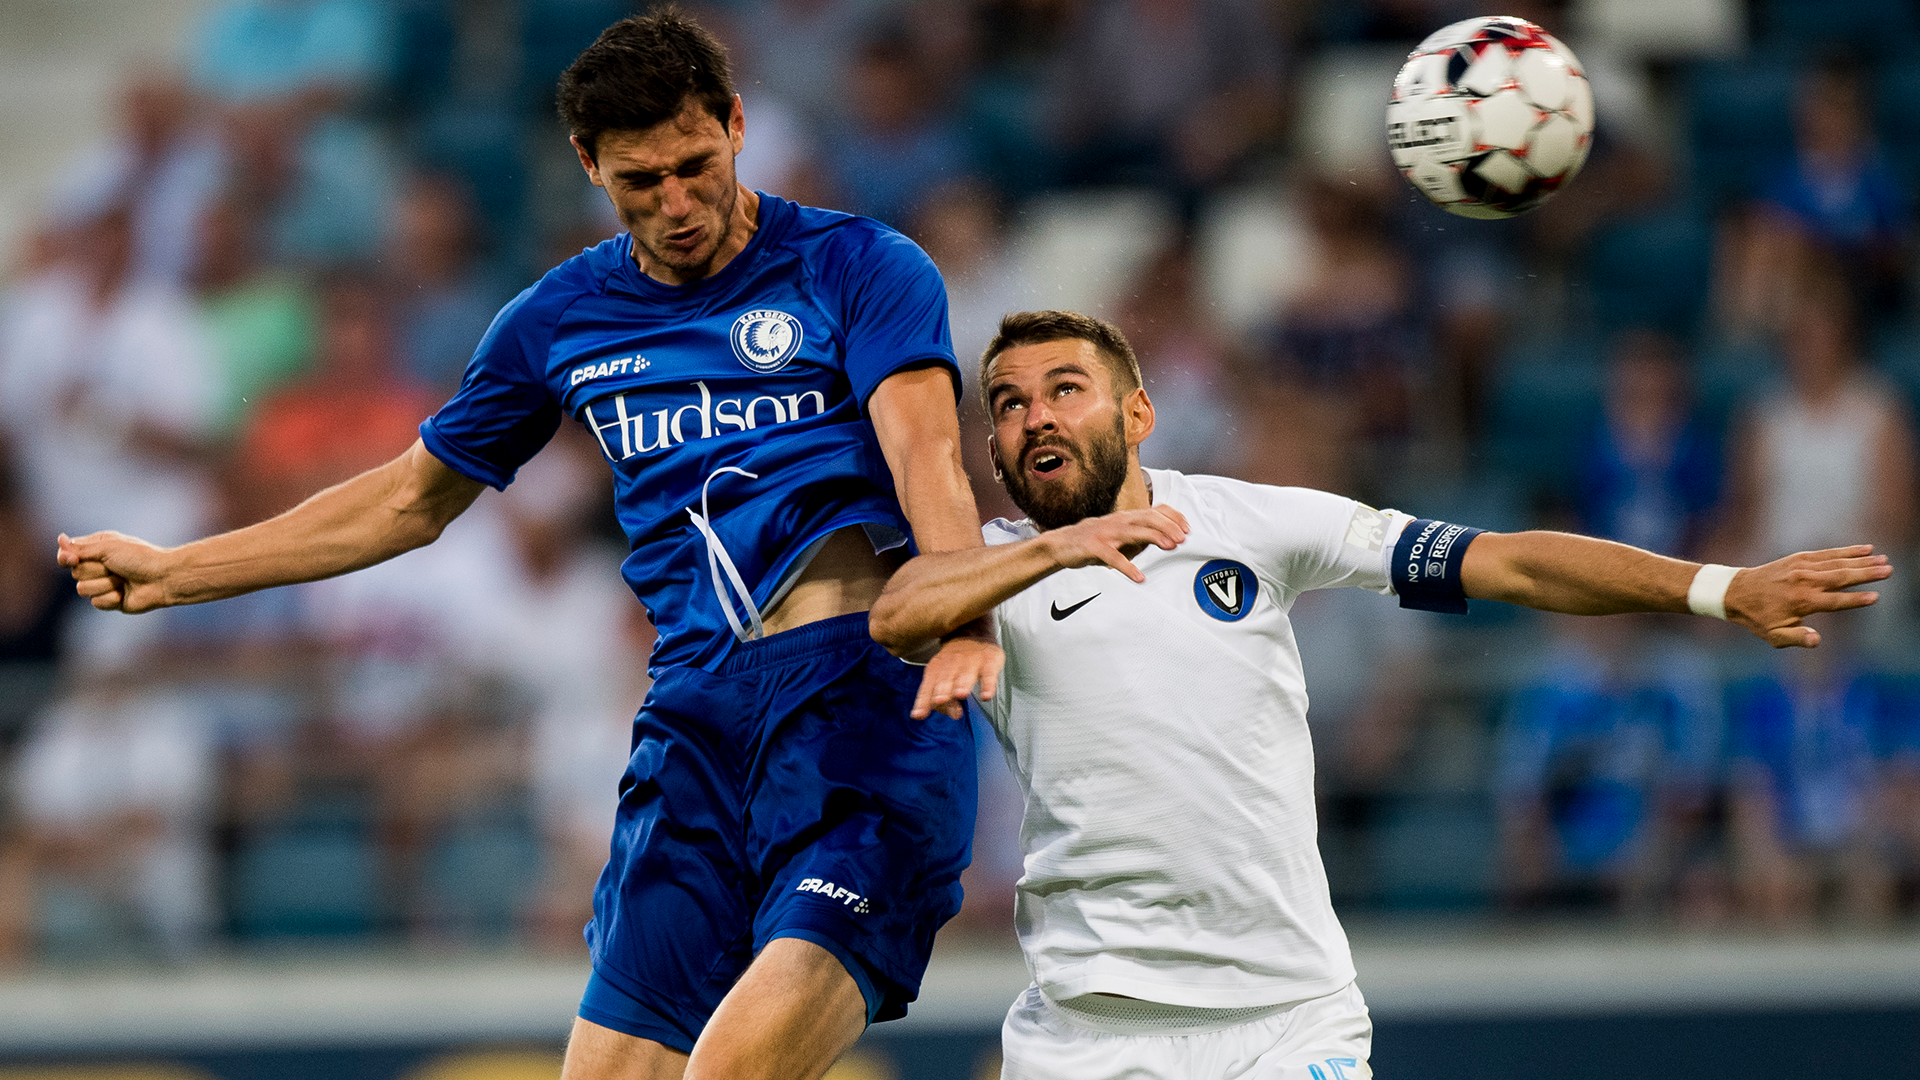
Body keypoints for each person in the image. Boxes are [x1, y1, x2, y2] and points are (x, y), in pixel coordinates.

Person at [58, 10, 987, 1079]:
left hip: (863, 708)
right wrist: (179, 572)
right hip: (695, 731)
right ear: (591, 166)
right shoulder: (563, 318)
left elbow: (929, 461)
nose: (678, 204)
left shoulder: (858, 265)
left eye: (696, 164)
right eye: (643, 182)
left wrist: (959, 613)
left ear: (736, 124)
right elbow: (409, 501)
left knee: (731, 1071)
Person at [867, 310, 1891, 1079]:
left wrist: (1719, 588)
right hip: (1087, 1032)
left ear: (1138, 413)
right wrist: (1055, 550)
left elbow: (1511, 565)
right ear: (993, 447)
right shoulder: (990, 571)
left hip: (1283, 1020)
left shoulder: (1253, 522)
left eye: (1064, 388)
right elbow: (900, 610)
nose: (1034, 413)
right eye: (1007, 403)